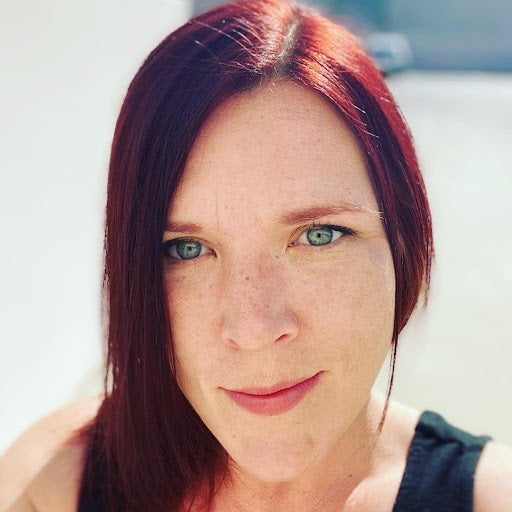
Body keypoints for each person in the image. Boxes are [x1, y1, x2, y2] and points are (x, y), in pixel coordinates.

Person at [2, 0, 512, 510]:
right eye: (187, 249)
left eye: (318, 235)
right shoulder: (55, 484)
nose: (254, 329)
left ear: (403, 241)